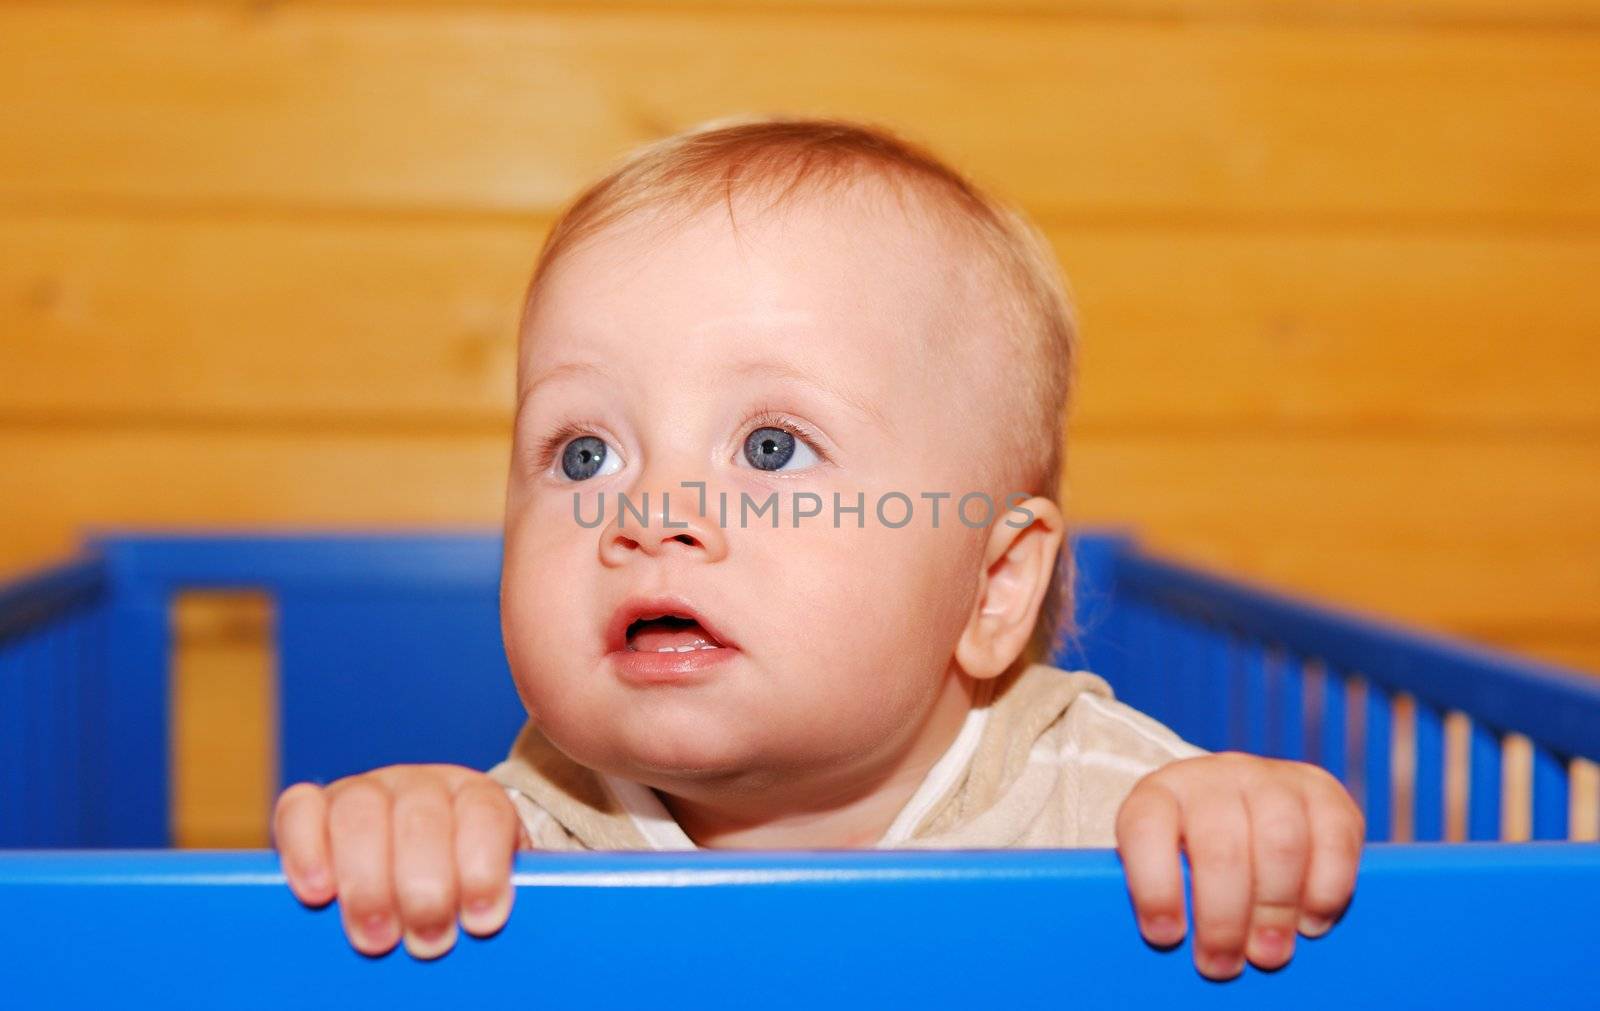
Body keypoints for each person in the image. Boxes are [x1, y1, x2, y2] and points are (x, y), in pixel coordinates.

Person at [272, 115, 1363, 980]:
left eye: (771, 445)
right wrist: (400, 840)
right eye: (583, 455)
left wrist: (1246, 824)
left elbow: (1275, 882)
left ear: (990, 588)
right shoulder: (516, 847)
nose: (651, 513)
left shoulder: (1107, 808)